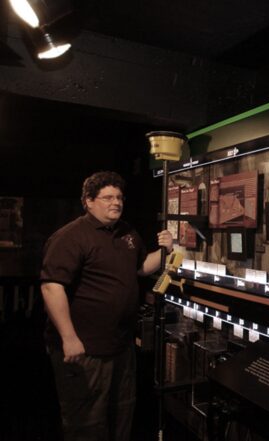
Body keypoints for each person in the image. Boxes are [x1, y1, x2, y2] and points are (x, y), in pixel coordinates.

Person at [40, 171, 173, 441]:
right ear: (88, 201)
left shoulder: (127, 232)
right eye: (108, 197)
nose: (116, 202)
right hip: (84, 350)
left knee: (121, 416)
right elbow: (51, 286)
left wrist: (165, 251)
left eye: (120, 197)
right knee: (86, 422)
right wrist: (69, 338)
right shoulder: (71, 236)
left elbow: (141, 269)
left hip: (120, 347)